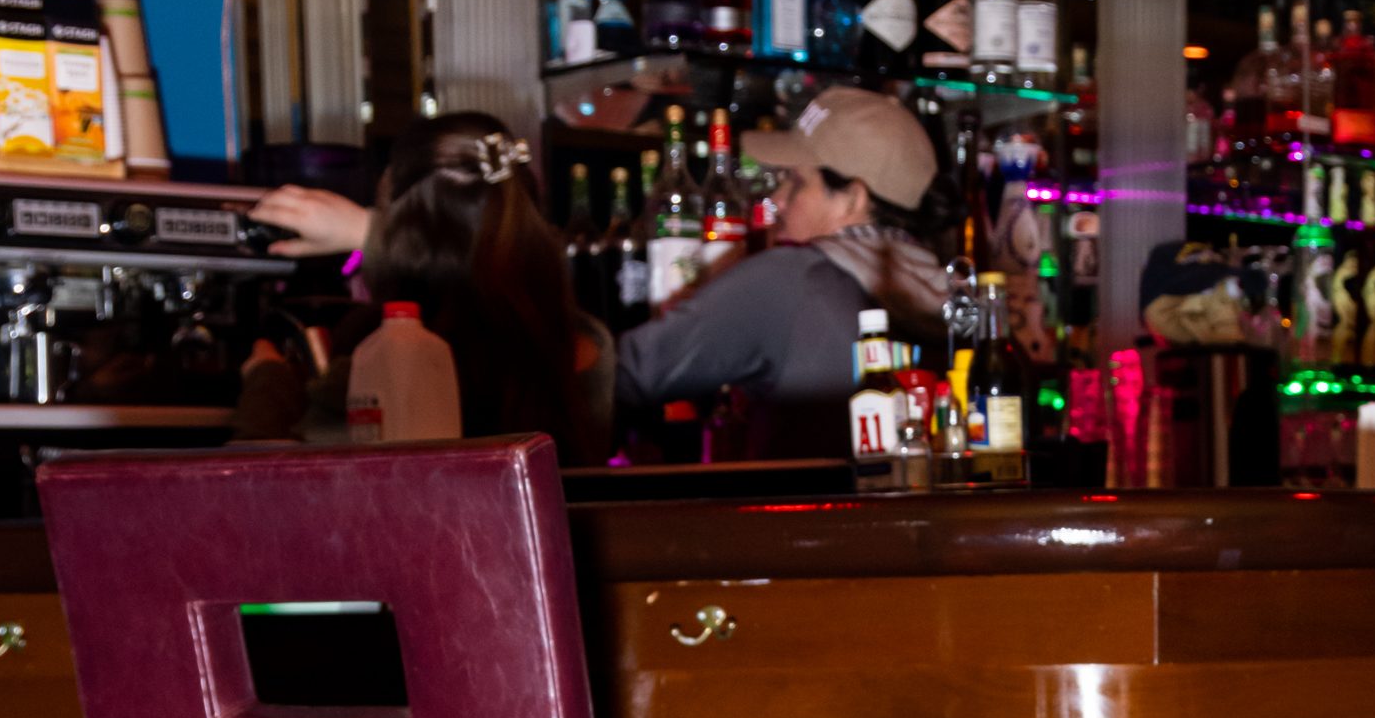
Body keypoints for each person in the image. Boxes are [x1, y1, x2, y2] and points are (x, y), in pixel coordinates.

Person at [237, 117, 608, 453]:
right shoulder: (587, 344)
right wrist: (374, 232)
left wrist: (268, 381)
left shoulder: (381, 349)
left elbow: (273, 482)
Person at [615, 85, 949, 418]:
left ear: (853, 198)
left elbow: (630, 372)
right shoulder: (951, 293)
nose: (777, 200)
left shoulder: (793, 277)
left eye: (796, 181)